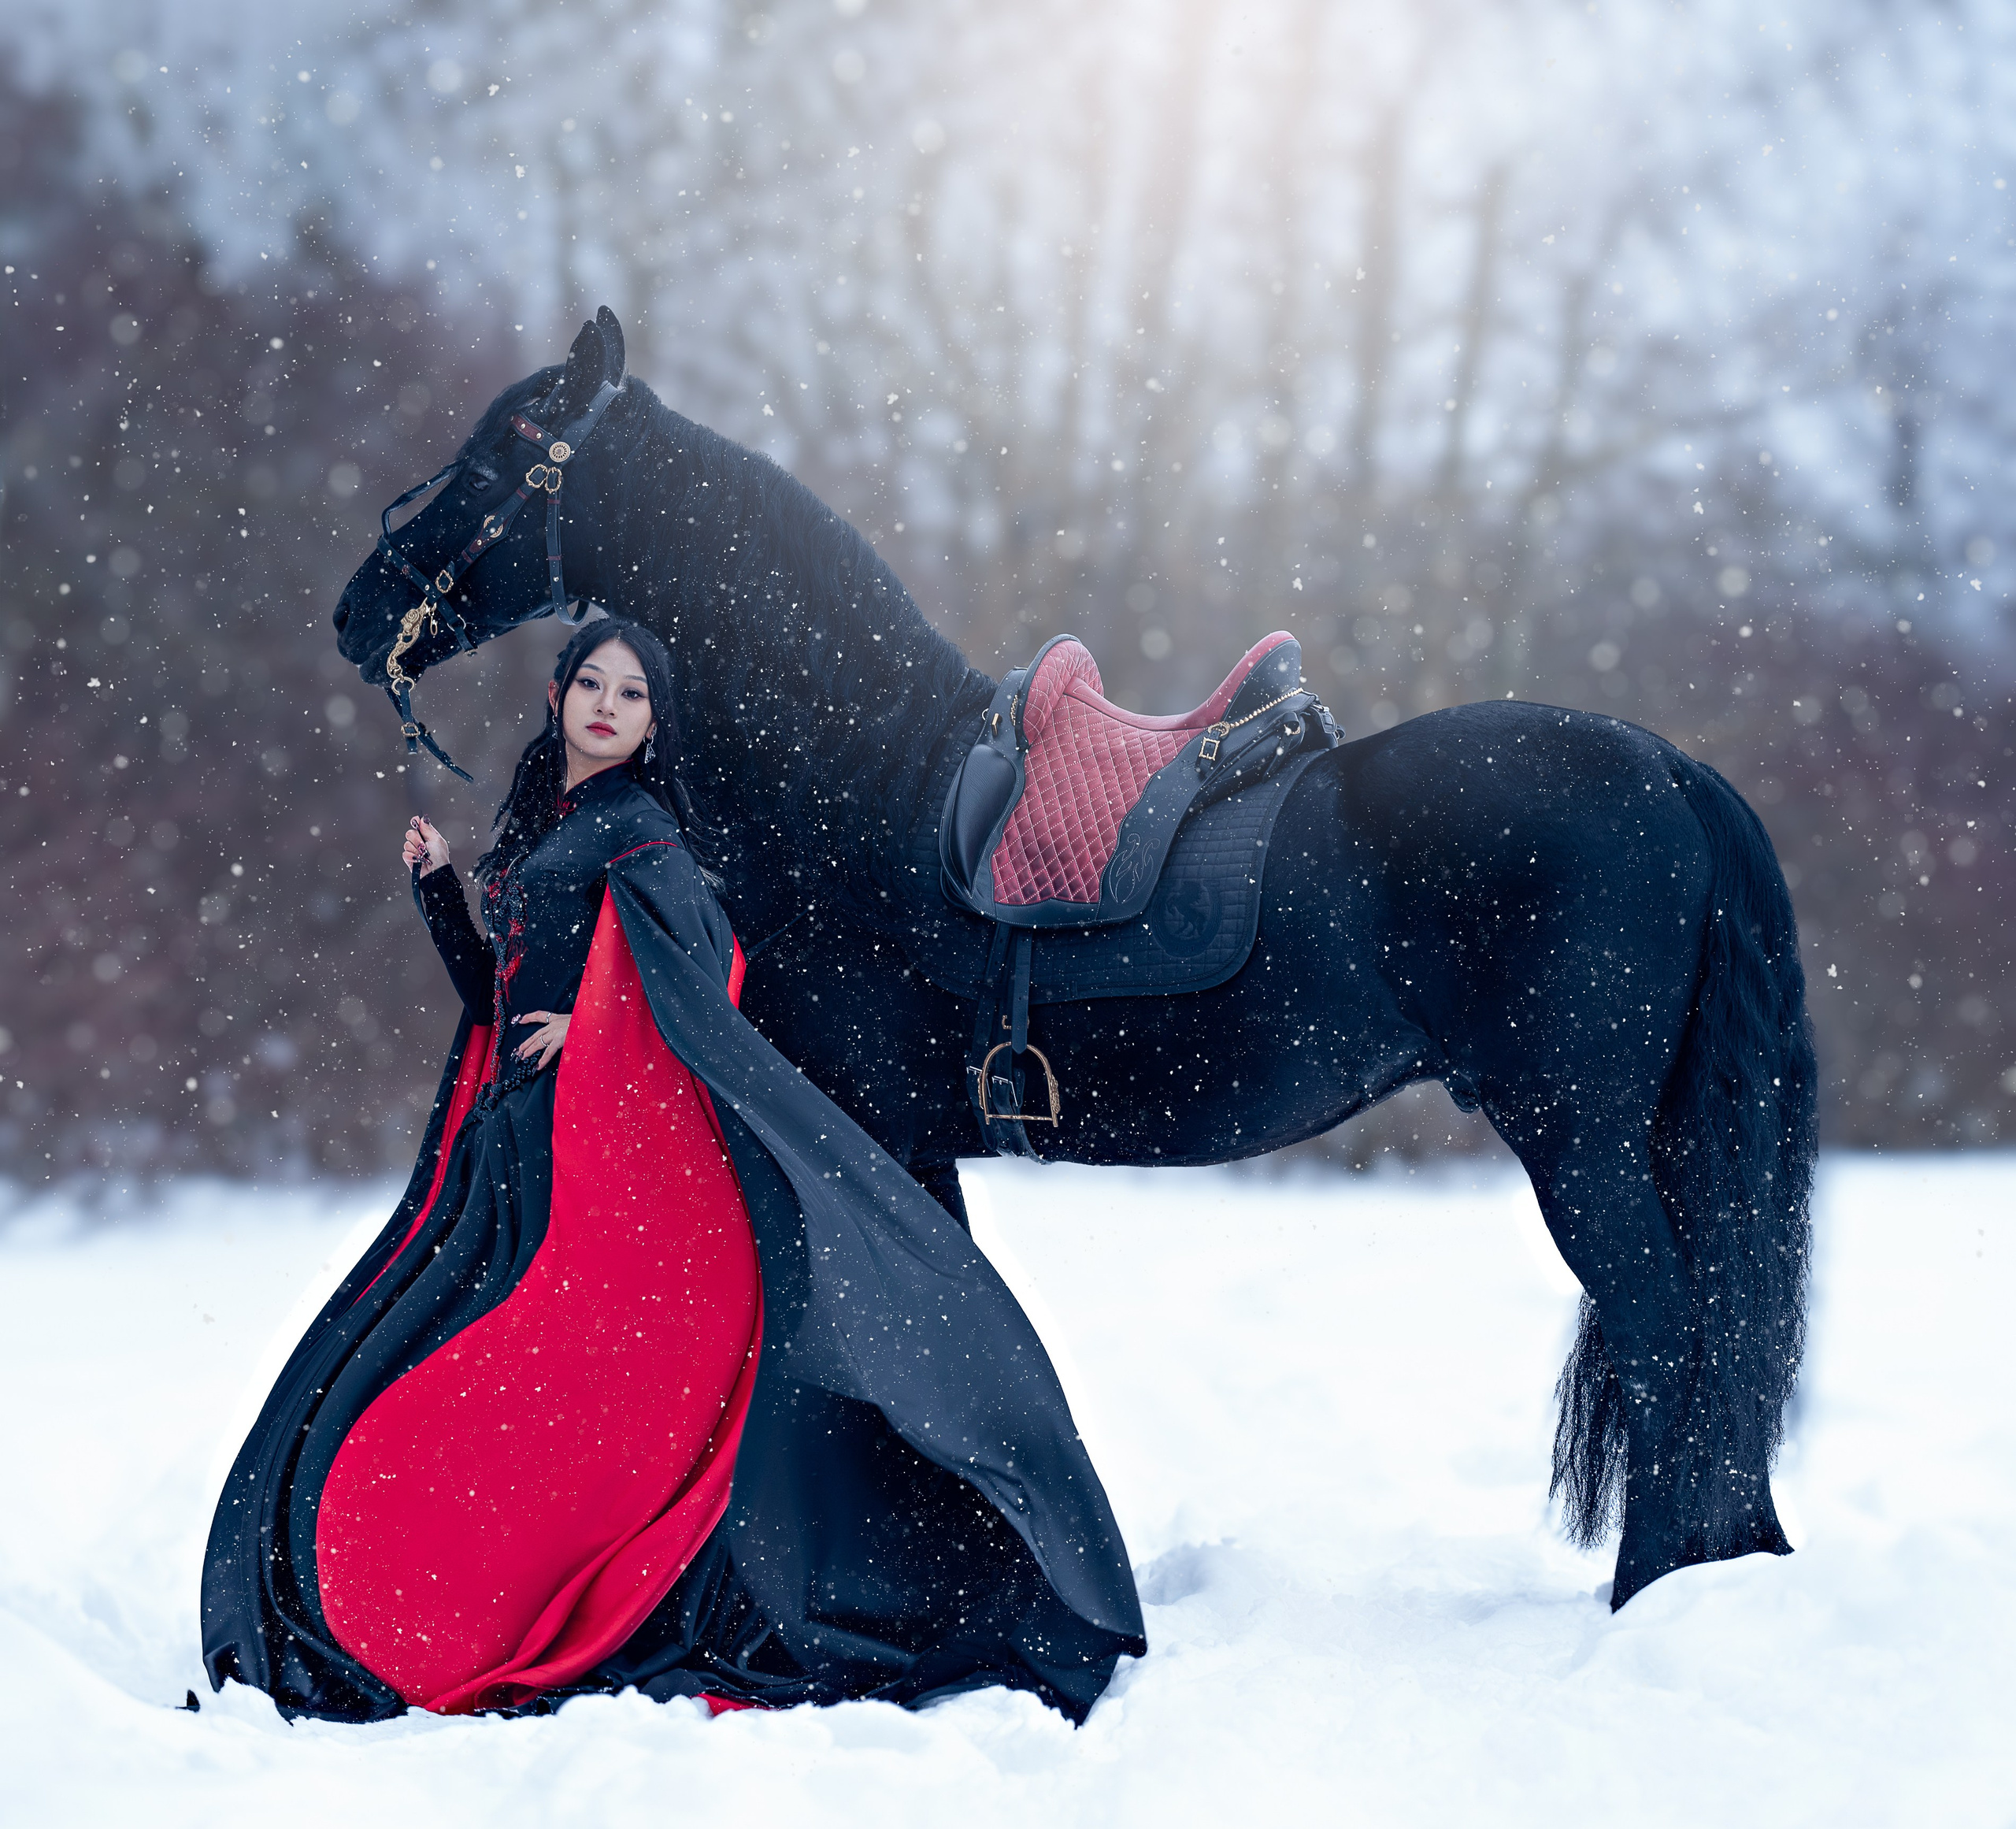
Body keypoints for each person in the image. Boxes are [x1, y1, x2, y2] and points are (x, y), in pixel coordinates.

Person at [201, 618, 1144, 1723]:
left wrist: (595, 1028)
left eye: (633, 693)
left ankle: (494, 1596)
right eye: (592, 683)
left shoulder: (640, 831)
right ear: (558, 695)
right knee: (385, 1361)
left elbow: (704, 973)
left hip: (588, 1157)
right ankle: (401, 1584)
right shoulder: (550, 823)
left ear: (655, 723)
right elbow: (492, 999)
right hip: (509, 1154)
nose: (608, 704)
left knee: (503, 1382)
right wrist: (443, 894)